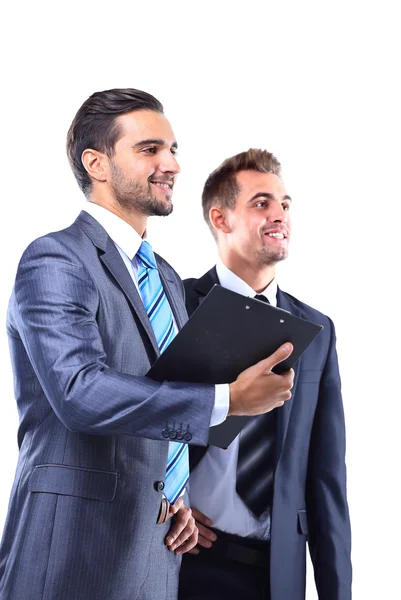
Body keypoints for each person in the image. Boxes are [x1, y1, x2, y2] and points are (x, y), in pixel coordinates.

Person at [0, 91, 294, 600]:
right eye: (150, 150)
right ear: (97, 163)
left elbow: (165, 398)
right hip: (74, 549)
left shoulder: (163, 277)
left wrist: (177, 491)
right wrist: (227, 399)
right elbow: (79, 392)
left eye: (173, 149)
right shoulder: (56, 259)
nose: (172, 164)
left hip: (156, 549)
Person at [178, 149, 352, 600]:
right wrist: (160, 506)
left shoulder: (318, 329)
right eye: (261, 203)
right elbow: (131, 427)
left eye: (285, 204)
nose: (280, 215)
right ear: (221, 218)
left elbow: (326, 478)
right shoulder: (172, 305)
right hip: (182, 562)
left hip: (277, 575)